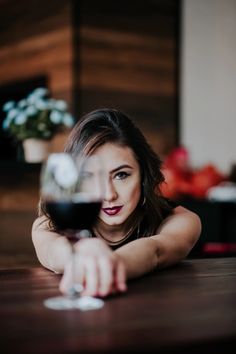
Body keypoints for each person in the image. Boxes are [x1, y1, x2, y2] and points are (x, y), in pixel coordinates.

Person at [32, 108, 201, 297]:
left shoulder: (181, 220)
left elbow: (155, 251)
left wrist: (111, 262)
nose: (109, 195)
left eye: (121, 175)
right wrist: (79, 254)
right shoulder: (47, 226)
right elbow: (54, 253)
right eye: (89, 176)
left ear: (144, 175)